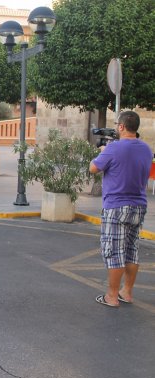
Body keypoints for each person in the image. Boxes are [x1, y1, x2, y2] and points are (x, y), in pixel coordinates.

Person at [89, 111, 152, 307]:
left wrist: (101, 153)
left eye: (118, 124)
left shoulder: (113, 148)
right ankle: (127, 292)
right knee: (131, 251)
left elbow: (93, 168)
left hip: (116, 207)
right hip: (139, 206)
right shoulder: (146, 149)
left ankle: (112, 296)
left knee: (114, 252)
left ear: (122, 127)